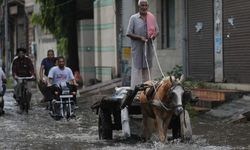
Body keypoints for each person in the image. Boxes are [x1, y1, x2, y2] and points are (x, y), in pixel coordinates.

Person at [126, 0, 159, 89]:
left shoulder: (151, 17)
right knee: (137, 70)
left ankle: (147, 90)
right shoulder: (133, 18)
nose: (144, 7)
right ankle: (134, 91)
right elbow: (128, 33)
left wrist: (153, 36)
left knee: (147, 69)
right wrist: (140, 38)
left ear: (147, 6)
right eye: (142, 5)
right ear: (138, 6)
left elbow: (157, 31)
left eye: (145, 5)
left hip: (148, 47)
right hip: (137, 48)